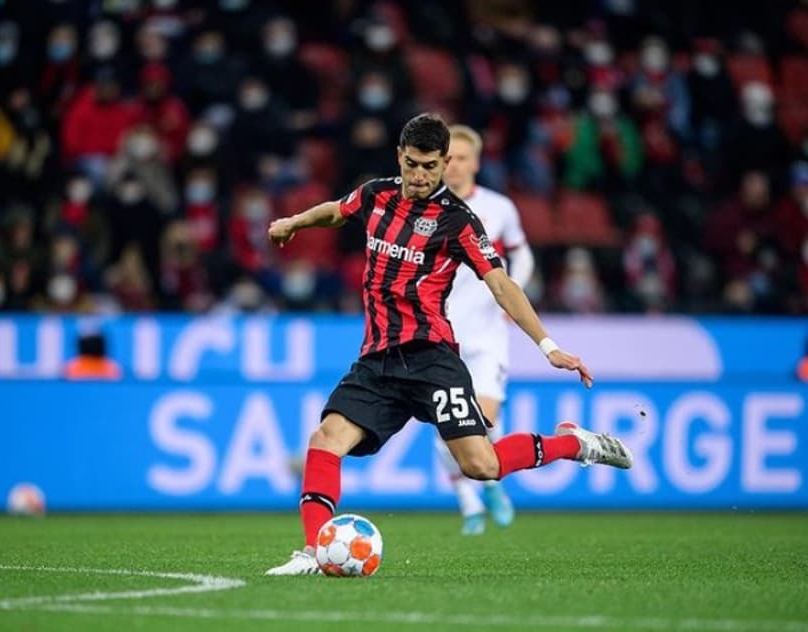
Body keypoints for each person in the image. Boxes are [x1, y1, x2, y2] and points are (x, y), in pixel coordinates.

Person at [264, 113, 633, 576]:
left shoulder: (458, 221)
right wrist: (294, 223)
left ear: (444, 164)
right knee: (325, 440)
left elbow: (502, 285)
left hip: (431, 358)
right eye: (414, 164)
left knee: (483, 465)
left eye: (432, 167)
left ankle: (573, 444)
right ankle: (315, 551)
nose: (421, 176)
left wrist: (547, 345)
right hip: (377, 360)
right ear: (400, 155)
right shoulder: (376, 195)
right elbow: (337, 211)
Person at [434, 124, 535, 535]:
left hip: (487, 336)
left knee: (484, 423)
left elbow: (521, 255)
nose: (453, 166)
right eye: (447, 159)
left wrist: (515, 295)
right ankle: (468, 503)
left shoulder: (499, 208)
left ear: (475, 162)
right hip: (439, 335)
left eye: (460, 158)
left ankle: (490, 484)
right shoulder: (426, 210)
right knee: (448, 429)